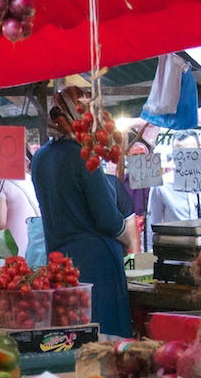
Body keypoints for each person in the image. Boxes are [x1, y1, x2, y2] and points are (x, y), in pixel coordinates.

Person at [32, 86, 133, 337]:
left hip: (59, 264)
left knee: (69, 341)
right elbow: (107, 218)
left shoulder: (40, 158)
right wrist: (126, 235)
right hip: (96, 267)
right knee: (102, 342)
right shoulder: (84, 155)